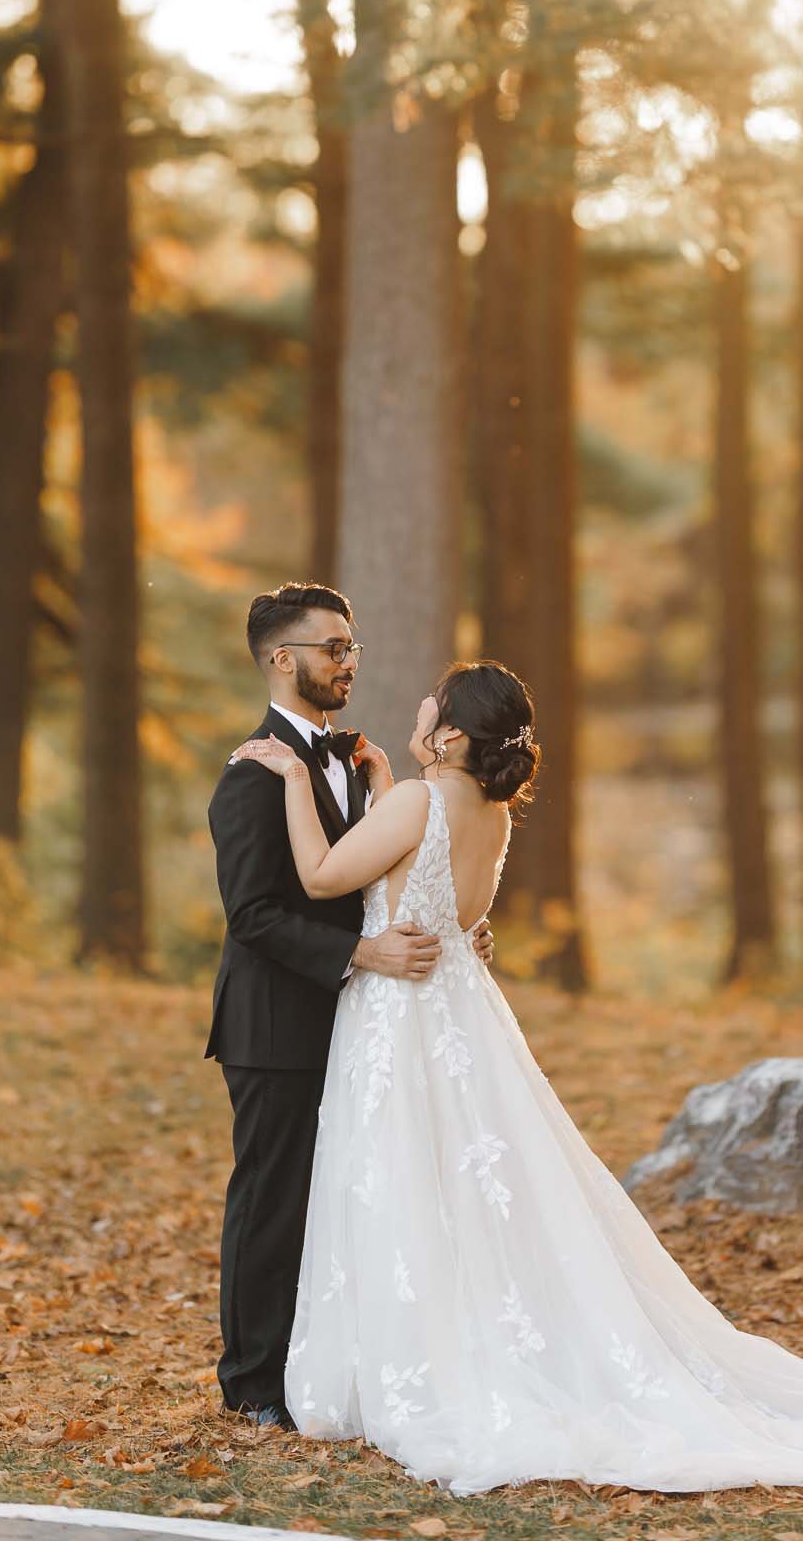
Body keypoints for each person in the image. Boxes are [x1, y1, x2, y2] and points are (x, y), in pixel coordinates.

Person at [231, 658, 803, 1496]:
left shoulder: (420, 800)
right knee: (467, 1180)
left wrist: (295, 785)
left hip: (400, 1016)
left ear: (451, 734)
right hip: (458, 1010)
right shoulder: (486, 813)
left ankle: (412, 1358)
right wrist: (388, 787)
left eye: (430, 703)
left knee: (409, 1178)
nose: (416, 709)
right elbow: (432, 898)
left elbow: (321, 875)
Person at [205, 582, 493, 1427]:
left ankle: (329, 1367)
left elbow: (388, 875)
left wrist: (444, 929)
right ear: (281, 659)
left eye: (352, 646)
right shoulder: (253, 772)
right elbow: (253, 913)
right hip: (276, 1023)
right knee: (275, 1199)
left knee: (344, 1195)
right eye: (332, 648)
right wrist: (360, 953)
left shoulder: (355, 763)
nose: (348, 661)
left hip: (363, 1019)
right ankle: (253, 1385)